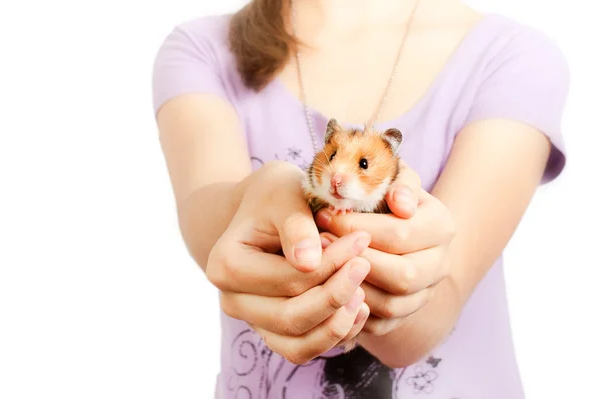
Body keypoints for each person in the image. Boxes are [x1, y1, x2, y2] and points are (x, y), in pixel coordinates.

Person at [151, 0, 569, 397]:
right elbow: (207, 227)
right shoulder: (201, 50)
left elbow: (430, 315)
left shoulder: (515, 59)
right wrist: (262, 201)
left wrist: (365, 273)